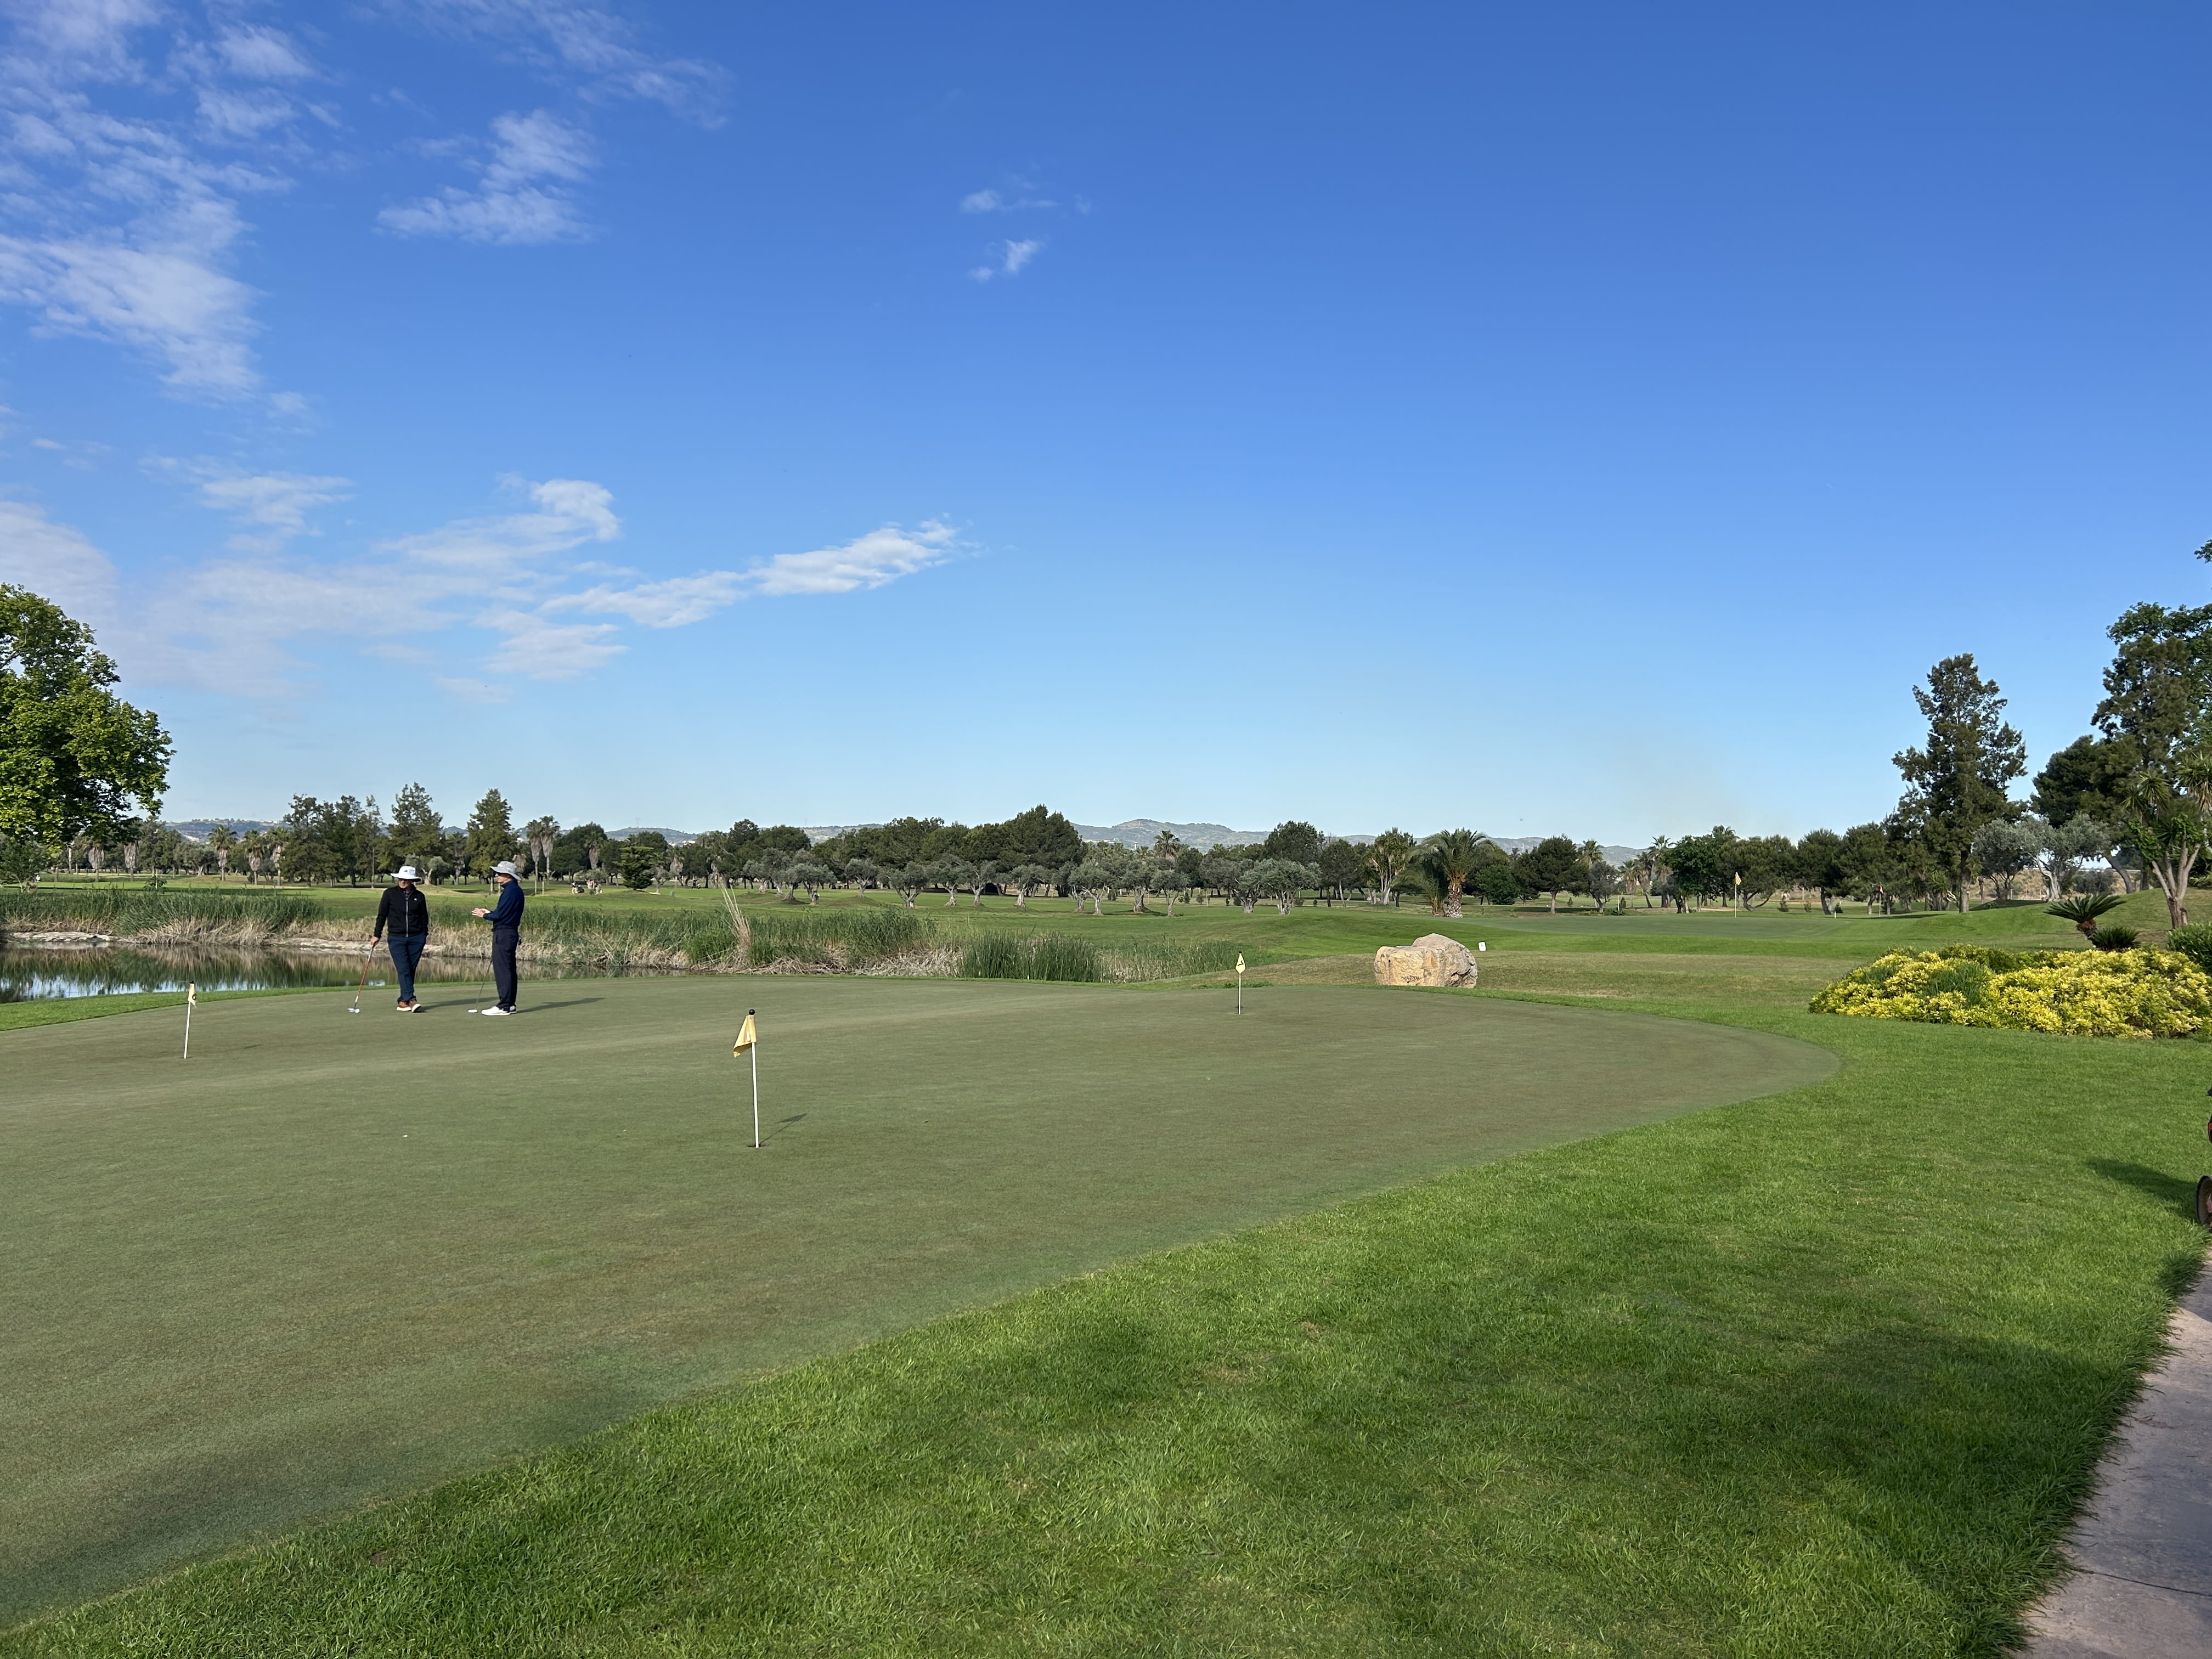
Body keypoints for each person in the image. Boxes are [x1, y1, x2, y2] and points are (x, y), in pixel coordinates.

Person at [372, 864, 432, 1012]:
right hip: (396, 938)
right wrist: (377, 934)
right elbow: (382, 915)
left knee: (410, 970)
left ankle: (402, 1001)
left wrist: (424, 934)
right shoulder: (390, 894)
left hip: (416, 938)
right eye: (400, 878)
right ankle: (411, 999)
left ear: (411, 881)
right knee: (403, 968)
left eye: (405, 879)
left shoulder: (419, 896)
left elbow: (424, 917)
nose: (402, 881)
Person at [471, 859, 526, 1015]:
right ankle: (510, 1004)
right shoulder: (514, 890)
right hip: (509, 932)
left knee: (503, 970)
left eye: (499, 873)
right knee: (508, 969)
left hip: (504, 934)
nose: (496, 876)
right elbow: (504, 913)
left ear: (508, 875)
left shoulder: (511, 891)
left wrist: (484, 915)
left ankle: (504, 1006)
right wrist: (490, 913)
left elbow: (500, 915)